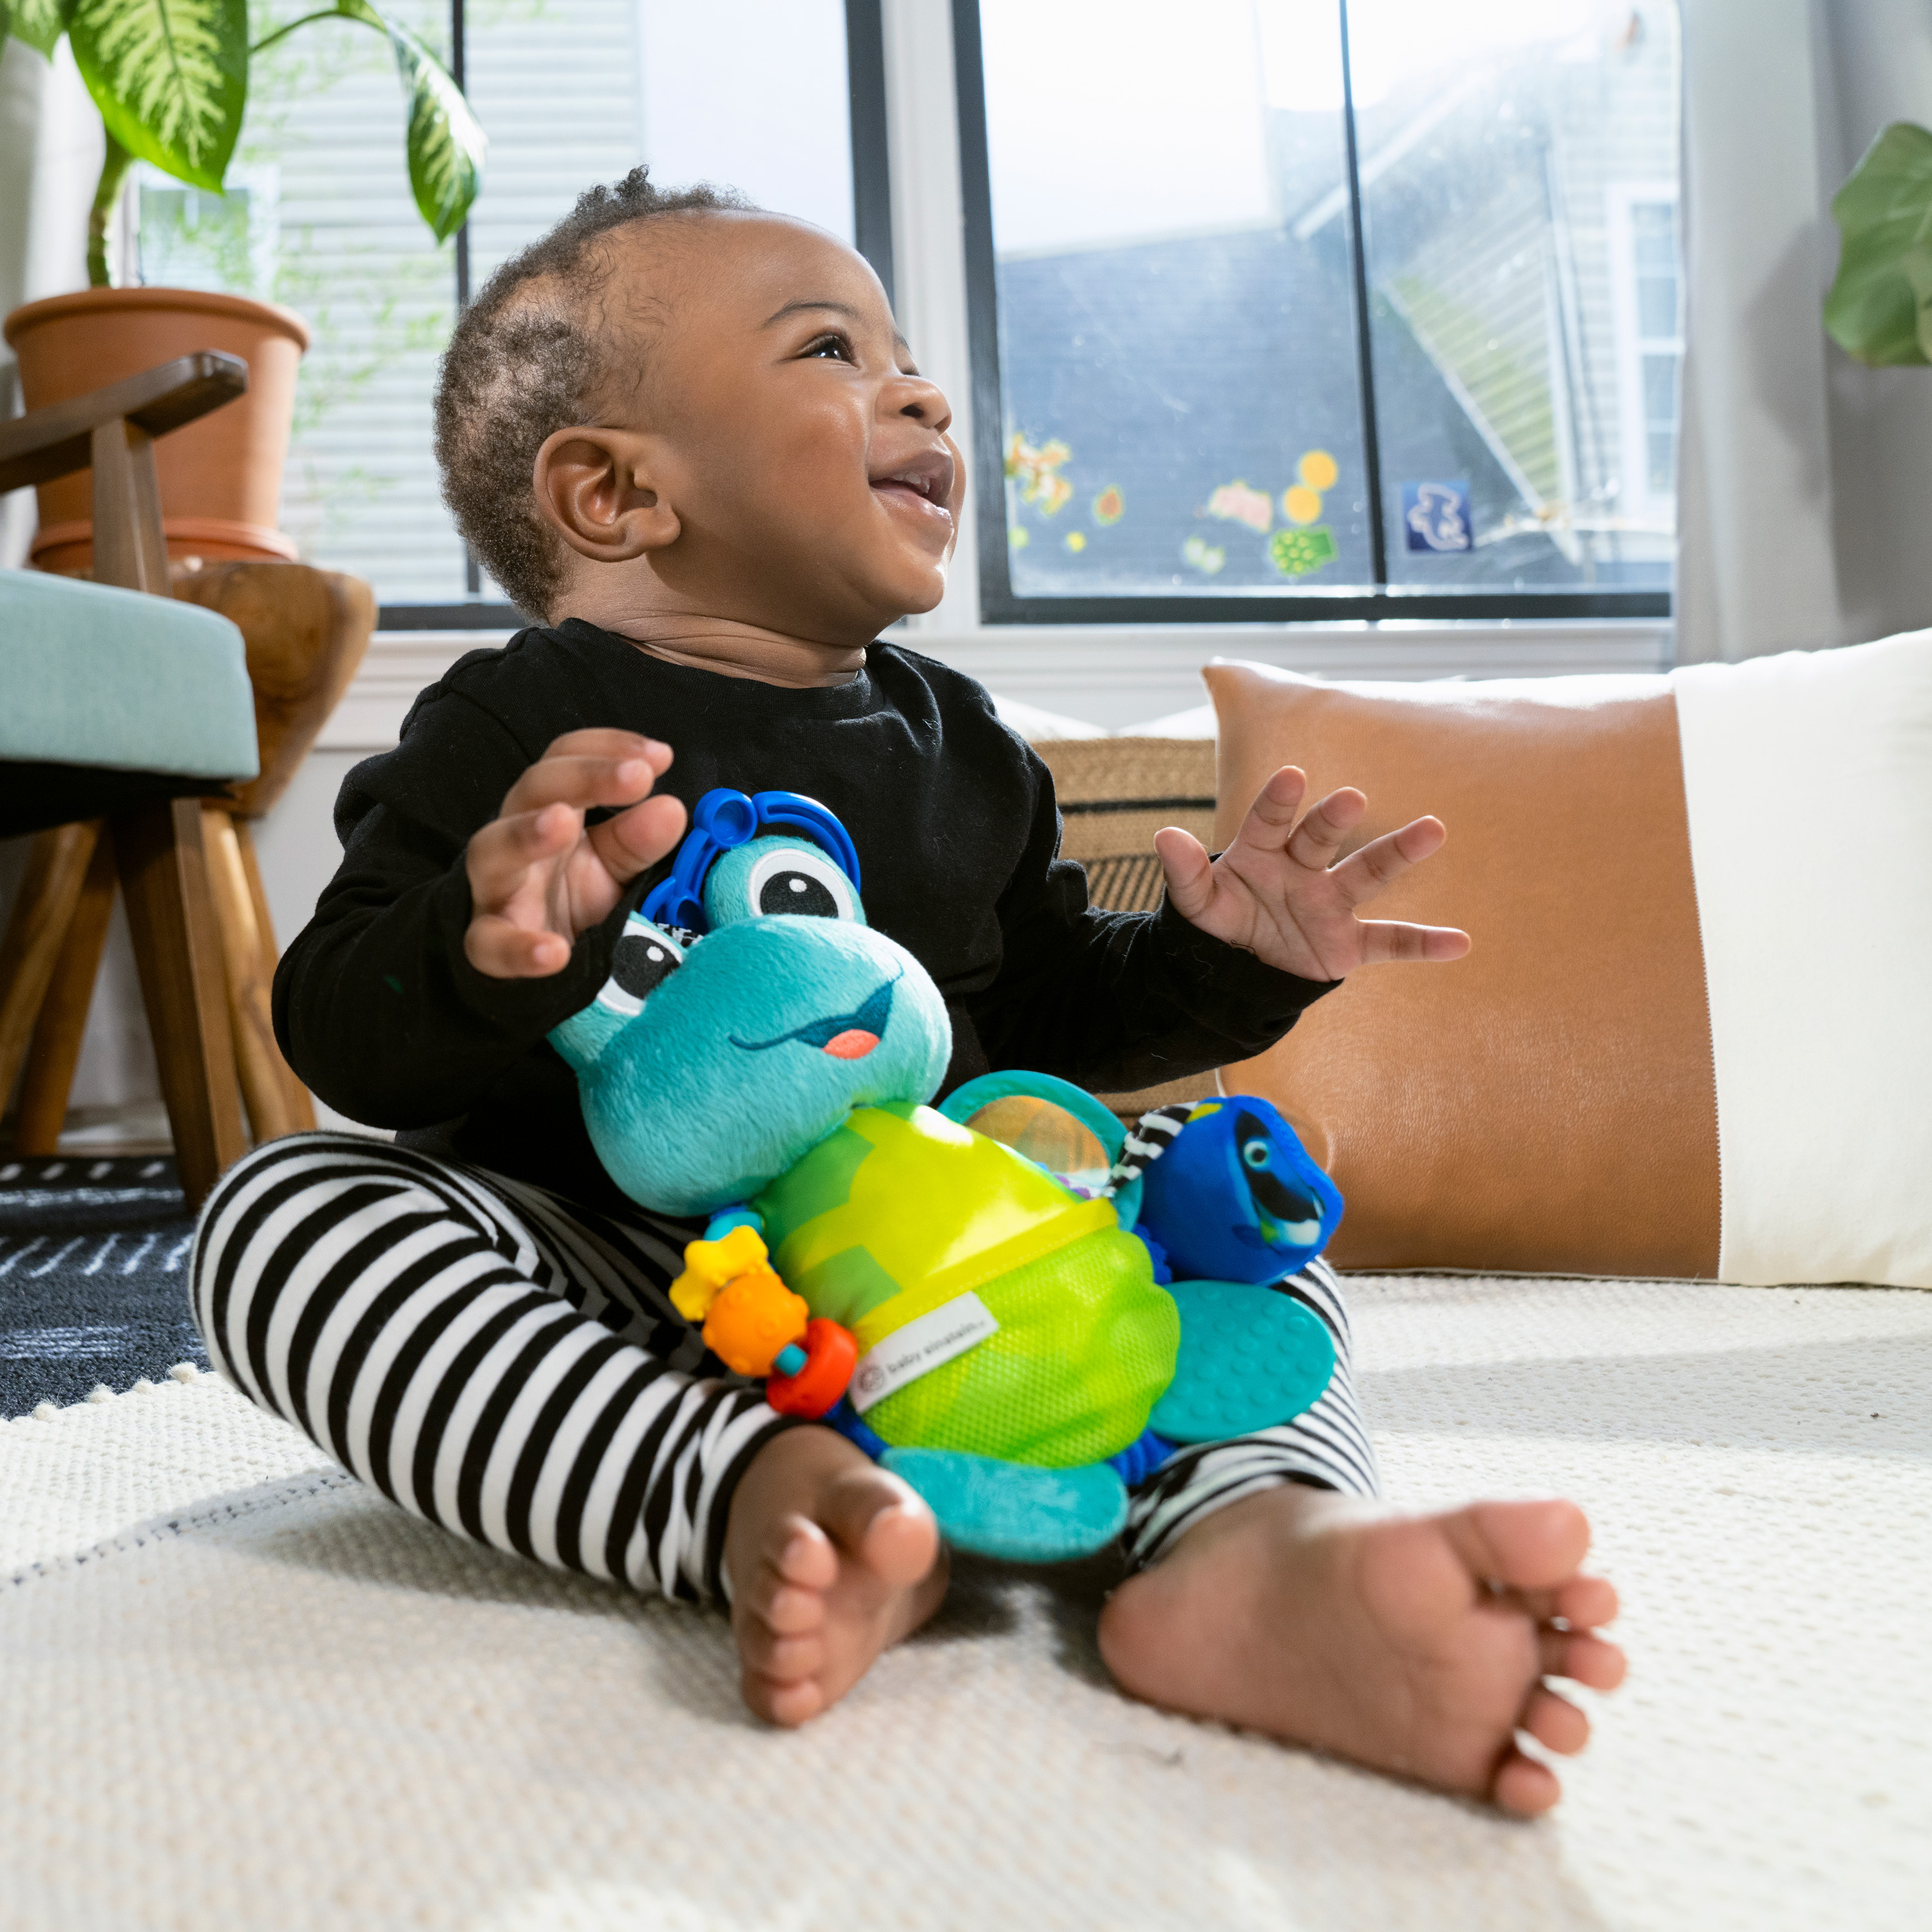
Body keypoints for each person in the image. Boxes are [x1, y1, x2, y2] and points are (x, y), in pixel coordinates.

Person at [193, 170, 1622, 1816]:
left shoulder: (969, 748)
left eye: (908, 356)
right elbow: (336, 1030)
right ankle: (747, 1496)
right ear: (613, 495)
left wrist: (1228, 966)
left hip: (961, 1280)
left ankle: (1252, 1551)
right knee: (285, 1220)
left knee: (1229, 1198)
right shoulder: (510, 727)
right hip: (631, 1305)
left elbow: (1059, 1028)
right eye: (832, 352)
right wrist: (478, 938)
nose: (922, 392)